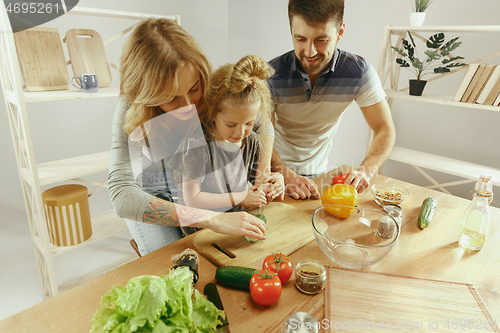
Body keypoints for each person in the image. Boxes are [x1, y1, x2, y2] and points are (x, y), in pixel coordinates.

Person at [108, 18, 281, 256]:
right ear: (145, 94)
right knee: (172, 258)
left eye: (194, 89)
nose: (189, 106)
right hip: (151, 193)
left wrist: (264, 173)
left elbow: (262, 124)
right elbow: (122, 195)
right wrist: (211, 219)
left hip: (193, 188)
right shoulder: (129, 109)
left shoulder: (212, 86)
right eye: (171, 98)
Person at [268, 0, 396, 200]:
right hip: (272, 172)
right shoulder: (271, 76)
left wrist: (365, 171)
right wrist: (285, 174)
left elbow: (385, 129)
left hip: (319, 173)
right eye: (300, 39)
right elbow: (261, 136)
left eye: (321, 40)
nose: (310, 52)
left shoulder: (359, 72)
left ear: (340, 32)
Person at [168, 55, 283, 237]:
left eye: (249, 123)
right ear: (213, 113)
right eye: (231, 124)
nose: (240, 132)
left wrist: (272, 184)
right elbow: (192, 199)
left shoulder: (252, 141)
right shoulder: (196, 146)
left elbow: (256, 184)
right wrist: (240, 197)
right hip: (202, 230)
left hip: (236, 223)